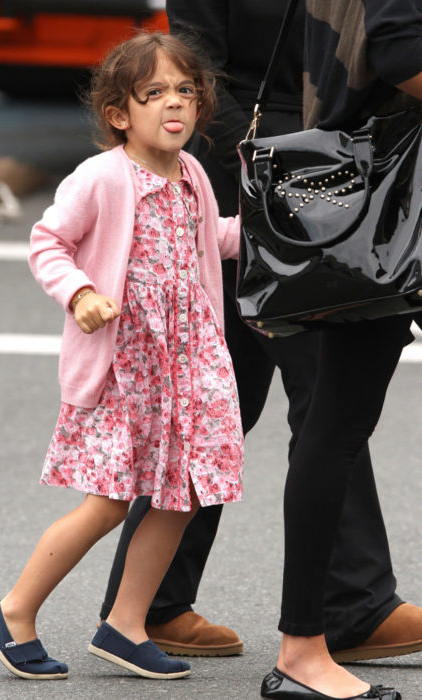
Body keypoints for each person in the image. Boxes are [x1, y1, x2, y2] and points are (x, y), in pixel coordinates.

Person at [99, 0, 422, 668]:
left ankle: (148, 603)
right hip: (273, 177)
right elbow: (194, 67)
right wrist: (288, 154)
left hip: (300, 170)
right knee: (324, 388)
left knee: (225, 393)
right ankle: (352, 605)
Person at [0, 32, 244, 682]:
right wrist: (81, 293)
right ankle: (12, 612)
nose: (173, 104)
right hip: (128, 368)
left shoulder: (193, 175)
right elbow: (47, 242)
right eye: (153, 93)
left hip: (189, 364)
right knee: (107, 503)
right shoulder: (101, 176)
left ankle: (125, 624)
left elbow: (215, 242)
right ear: (120, 113)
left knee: (183, 495)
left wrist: (277, 221)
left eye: (185, 91)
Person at [260, 1, 422, 698]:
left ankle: (303, 646)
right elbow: (397, 49)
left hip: (376, 202)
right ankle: (299, 651)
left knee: (333, 424)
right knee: (333, 424)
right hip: (387, 200)